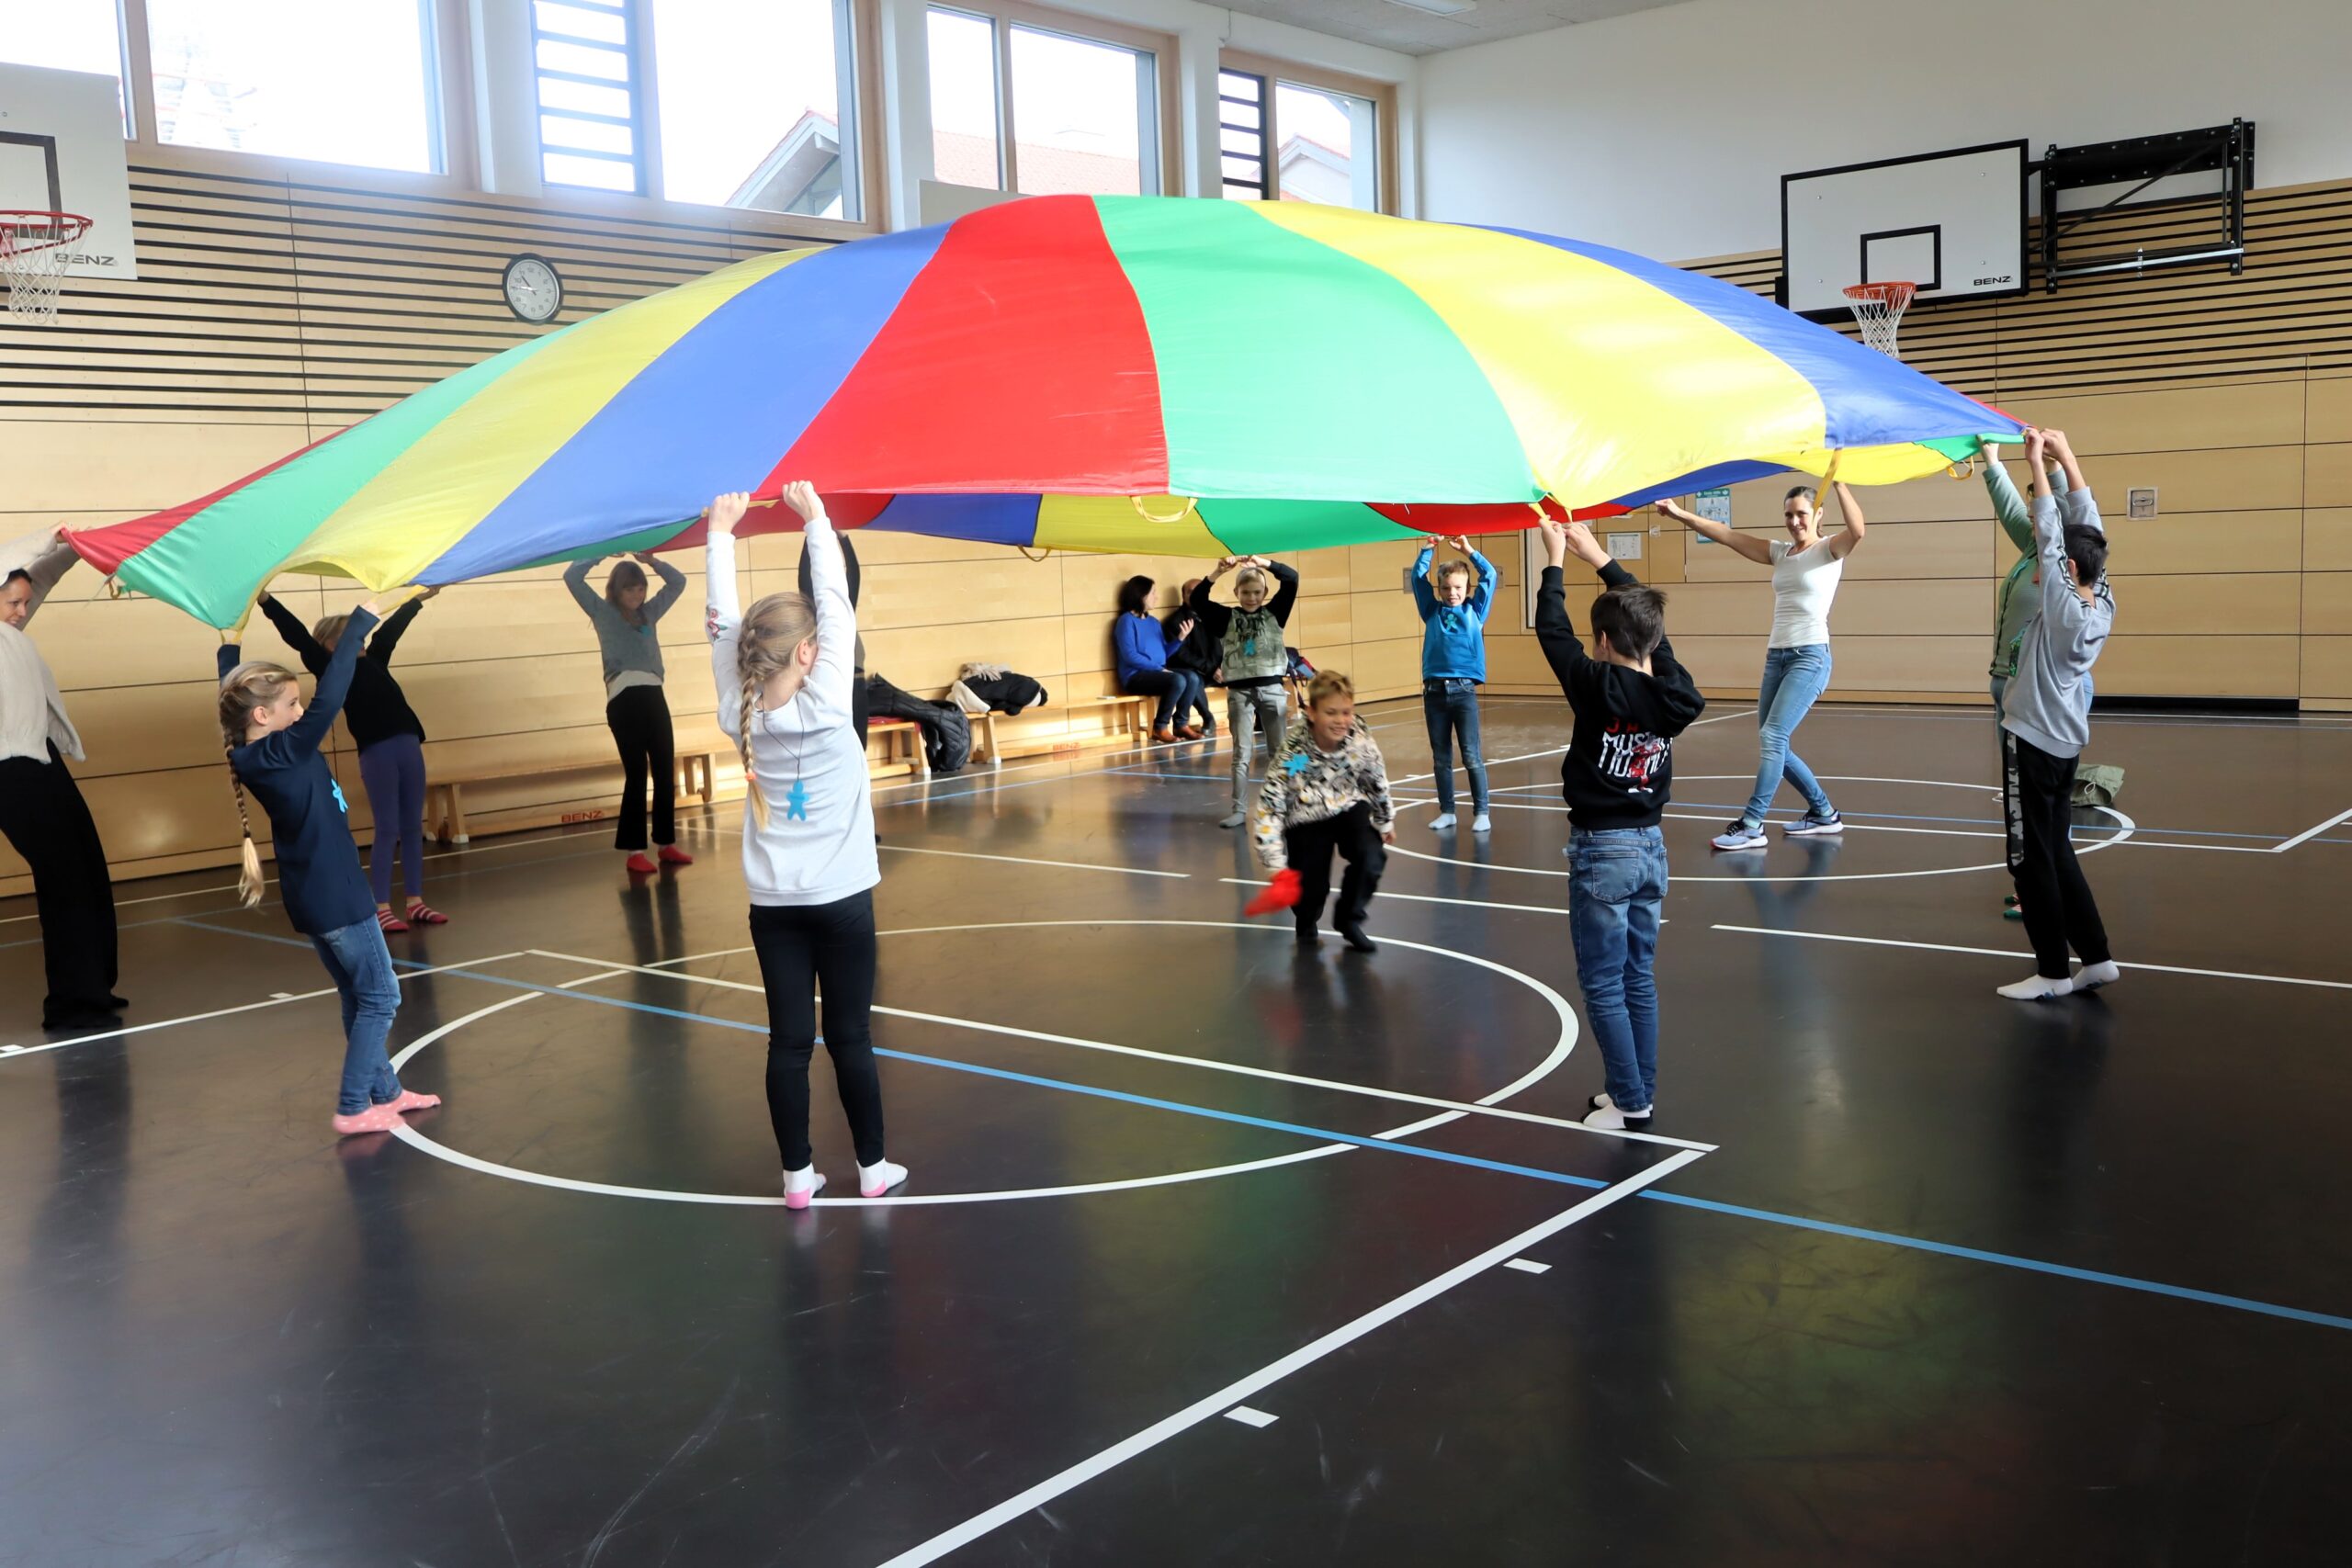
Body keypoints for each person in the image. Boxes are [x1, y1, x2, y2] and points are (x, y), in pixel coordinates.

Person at [707, 485, 906, 1207]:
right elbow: (836, 602)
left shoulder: (740, 708)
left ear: (746, 658)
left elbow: (721, 626)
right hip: (843, 900)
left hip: (774, 906)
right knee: (850, 1035)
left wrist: (721, 534)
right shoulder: (827, 705)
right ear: (812, 650)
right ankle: (874, 1170)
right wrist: (818, 519)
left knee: (788, 1043)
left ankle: (798, 1179)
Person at [219, 597, 442, 1136]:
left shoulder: (250, 750)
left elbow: (229, 695)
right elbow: (335, 692)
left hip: (313, 895)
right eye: (291, 704)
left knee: (357, 995)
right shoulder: (286, 751)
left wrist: (229, 643)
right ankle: (352, 1105)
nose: (302, 711)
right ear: (263, 716)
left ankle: (385, 1090)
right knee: (383, 996)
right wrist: (363, 618)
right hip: (339, 894)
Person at [1532, 519, 1707, 1132]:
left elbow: (1550, 631)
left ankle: (1631, 1099)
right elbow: (1651, 633)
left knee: (1603, 981)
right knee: (1637, 976)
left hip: (1604, 851)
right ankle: (1636, 1091)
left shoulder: (1595, 683)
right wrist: (1600, 559)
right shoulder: (1675, 694)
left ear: (1603, 640)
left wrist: (1554, 559)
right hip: (1650, 847)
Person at [1659, 483, 1867, 850]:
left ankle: (1753, 823)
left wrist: (1838, 483)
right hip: (1778, 657)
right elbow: (1725, 534)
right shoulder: (1781, 552)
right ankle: (1823, 813)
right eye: (1788, 514)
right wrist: (1680, 514)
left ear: (1818, 514)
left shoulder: (1829, 550)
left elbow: (1858, 532)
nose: (1794, 521)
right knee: (1774, 742)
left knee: (1773, 737)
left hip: (1810, 657)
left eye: (1802, 513)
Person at [1996, 428, 2120, 1001]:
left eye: (2054, 563)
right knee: (2060, 850)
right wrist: (2066, 455)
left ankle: (2050, 972)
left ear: (2066, 568)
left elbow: (2052, 533)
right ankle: (2094, 958)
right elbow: (2083, 529)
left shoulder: (2063, 607)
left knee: (2029, 860)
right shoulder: (2101, 599)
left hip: (2032, 742)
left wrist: (2035, 465)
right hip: (2066, 743)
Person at [260, 587, 445, 933]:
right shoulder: (332, 668)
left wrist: (417, 600)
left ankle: (416, 902)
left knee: (412, 826)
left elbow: (391, 630)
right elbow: (297, 635)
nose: (362, 639)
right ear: (330, 645)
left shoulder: (375, 659)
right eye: (351, 634)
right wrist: (268, 602)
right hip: (377, 751)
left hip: (408, 743)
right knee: (388, 827)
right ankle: (381, 906)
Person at [0, 530, 122, 1031]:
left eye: (26, 603)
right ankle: (72, 1002)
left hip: (43, 758)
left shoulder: (12, 632)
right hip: (9, 768)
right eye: (13, 602)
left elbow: (39, 575)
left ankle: (95, 986)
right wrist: (47, 536)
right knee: (63, 877)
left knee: (88, 869)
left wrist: (81, 546)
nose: (22, 611)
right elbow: (13, 560)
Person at [1982, 439, 2082, 921]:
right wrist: (1993, 459)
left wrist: (2054, 464)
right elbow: (2006, 506)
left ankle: (2046, 883)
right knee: (2021, 798)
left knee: (2040, 800)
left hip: (2036, 699)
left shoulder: (2061, 557)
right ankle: (2032, 881)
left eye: (2038, 499)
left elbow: (2062, 509)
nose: (2030, 505)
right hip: (2008, 688)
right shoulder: (2030, 548)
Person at [564, 551, 695, 874]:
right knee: (637, 773)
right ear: (616, 590)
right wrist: (599, 554)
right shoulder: (603, 612)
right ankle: (635, 850)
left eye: (641, 589)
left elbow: (679, 582)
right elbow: (571, 578)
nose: (637, 595)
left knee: (665, 769)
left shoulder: (649, 614)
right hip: (624, 700)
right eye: (630, 589)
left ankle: (666, 843)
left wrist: (653, 561)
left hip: (654, 695)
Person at [1251, 671, 1394, 953]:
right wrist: (1275, 865)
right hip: (1306, 814)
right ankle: (1306, 920)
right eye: (1331, 713)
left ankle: (1349, 919)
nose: (1341, 721)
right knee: (1311, 888)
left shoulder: (1360, 742)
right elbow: (1272, 801)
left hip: (1347, 804)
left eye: (1346, 712)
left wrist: (1384, 819)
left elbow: (1375, 778)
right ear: (1312, 712)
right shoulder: (1297, 754)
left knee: (1371, 855)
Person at [1189, 555, 1301, 829]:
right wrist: (1217, 572)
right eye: (1246, 593)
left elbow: (1292, 578)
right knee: (1241, 754)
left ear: (1265, 592)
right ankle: (1239, 809)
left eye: (1257, 592)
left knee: (1279, 752)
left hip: (1272, 690)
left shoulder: (1275, 612)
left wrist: (1265, 564)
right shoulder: (1226, 618)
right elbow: (1198, 601)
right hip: (1240, 692)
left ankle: (1283, 807)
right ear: (1237, 592)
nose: (1251, 598)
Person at [1410, 536, 1498, 833]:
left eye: (1458, 587)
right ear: (1439, 589)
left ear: (1467, 589)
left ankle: (1482, 811)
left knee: (1471, 754)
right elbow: (1417, 577)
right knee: (1441, 757)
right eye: (1446, 588)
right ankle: (1447, 810)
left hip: (1463, 692)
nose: (1452, 593)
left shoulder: (1475, 612)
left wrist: (1469, 551)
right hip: (1434, 692)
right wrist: (1428, 549)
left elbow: (1491, 575)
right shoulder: (1431, 611)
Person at [797, 526, 871, 747]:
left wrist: (844, 538)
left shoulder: (845, 612)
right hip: (828, 690)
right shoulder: (813, 613)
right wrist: (810, 534)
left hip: (855, 685)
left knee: (858, 747)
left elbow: (854, 574)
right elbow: (804, 577)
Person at [1113, 576, 1205, 743]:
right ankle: (1160, 727)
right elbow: (1130, 656)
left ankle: (1181, 724)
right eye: (1153, 593)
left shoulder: (1154, 622)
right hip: (1135, 676)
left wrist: (1180, 639)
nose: (1157, 597)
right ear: (1141, 595)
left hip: (1157, 672)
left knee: (1191, 677)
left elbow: (1163, 654)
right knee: (1177, 679)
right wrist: (1158, 668)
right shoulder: (1126, 621)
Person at [1163, 579, 1222, 739]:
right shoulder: (1175, 621)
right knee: (1192, 679)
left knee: (1250, 673)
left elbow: (1229, 644)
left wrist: (1224, 667)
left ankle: (1259, 717)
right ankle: (1208, 718)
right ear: (1183, 596)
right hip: (1197, 671)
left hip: (1219, 669)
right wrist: (1211, 669)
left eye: (1198, 592)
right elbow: (1182, 655)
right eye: (1190, 592)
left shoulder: (1215, 615)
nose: (1195, 595)